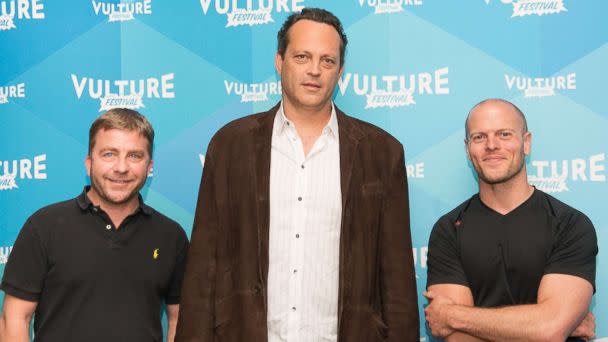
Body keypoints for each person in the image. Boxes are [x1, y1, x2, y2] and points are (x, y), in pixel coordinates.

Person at [176, 7, 419, 342]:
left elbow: (398, 283)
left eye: (327, 60)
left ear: (340, 71)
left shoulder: (381, 152)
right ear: (280, 62)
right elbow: (204, 268)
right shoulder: (231, 145)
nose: (315, 70)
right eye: (303, 56)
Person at [0, 108, 189, 342]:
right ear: (89, 163)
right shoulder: (43, 227)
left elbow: (180, 320)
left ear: (149, 166)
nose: (121, 168)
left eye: (134, 156)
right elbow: (14, 318)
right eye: (109, 154)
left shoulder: (171, 236)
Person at [424, 98, 598, 341]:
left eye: (504, 134)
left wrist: (454, 315)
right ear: (467, 148)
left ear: (526, 143)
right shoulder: (448, 230)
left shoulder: (570, 224)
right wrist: (544, 322)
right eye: (479, 137)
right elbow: (458, 339)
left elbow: (549, 330)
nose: (492, 145)